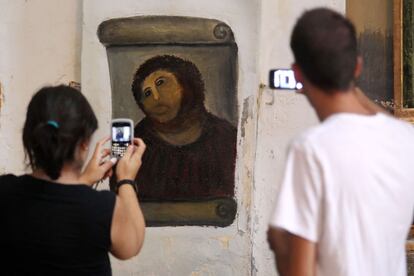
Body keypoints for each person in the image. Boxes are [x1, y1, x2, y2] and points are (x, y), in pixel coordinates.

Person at [267, 8, 414, 276]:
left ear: (297, 75)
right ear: (357, 66)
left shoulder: (312, 149)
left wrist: (278, 242)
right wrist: (349, 81)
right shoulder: (406, 140)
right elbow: (387, 123)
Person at [0, 85, 146, 275]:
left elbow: (56, 207)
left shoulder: (4, 190)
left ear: (30, 137)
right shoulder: (101, 207)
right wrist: (126, 180)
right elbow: (131, 246)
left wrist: (84, 180)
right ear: (85, 143)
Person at [127, 55, 236, 201]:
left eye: (161, 83)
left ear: (187, 83)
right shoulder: (135, 145)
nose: (156, 98)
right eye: (147, 93)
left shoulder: (226, 138)